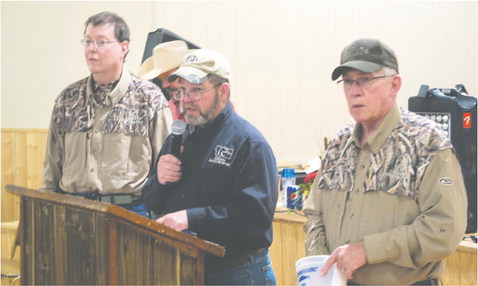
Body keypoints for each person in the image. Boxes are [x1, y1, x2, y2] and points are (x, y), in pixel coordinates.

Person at [302, 38, 468, 285]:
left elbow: (443, 230)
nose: (354, 90)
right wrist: (323, 266)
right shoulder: (339, 145)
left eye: (365, 80)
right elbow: (315, 213)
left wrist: (368, 250)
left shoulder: (427, 143)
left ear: (394, 85)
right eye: (348, 81)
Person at [142, 49, 278, 285]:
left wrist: (190, 218)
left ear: (222, 92)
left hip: (238, 272)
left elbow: (255, 217)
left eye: (197, 89)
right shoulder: (178, 137)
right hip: (187, 269)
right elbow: (153, 202)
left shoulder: (248, 142)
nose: (186, 98)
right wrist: (159, 181)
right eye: (182, 90)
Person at [42, 11, 172, 217]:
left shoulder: (150, 99)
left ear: (123, 47)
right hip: (72, 211)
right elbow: (52, 167)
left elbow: (165, 165)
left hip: (130, 214)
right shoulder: (67, 99)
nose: (92, 49)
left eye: (101, 42)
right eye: (87, 42)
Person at [138, 40, 191, 121]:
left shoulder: (207, 104)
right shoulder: (166, 111)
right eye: (161, 79)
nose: (164, 85)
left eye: (168, 77)